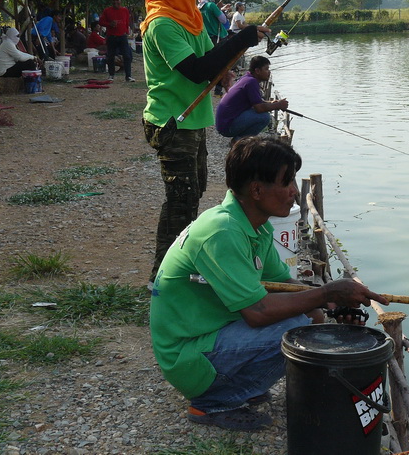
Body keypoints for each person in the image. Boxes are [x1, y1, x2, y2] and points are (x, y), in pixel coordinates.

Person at [150, 136, 389, 431]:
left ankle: (233, 385)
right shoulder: (221, 232)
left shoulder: (254, 226)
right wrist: (325, 292)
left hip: (208, 338)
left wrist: (330, 304)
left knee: (310, 316)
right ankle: (211, 403)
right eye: (286, 182)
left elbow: (281, 283)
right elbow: (258, 312)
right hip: (186, 356)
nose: (293, 193)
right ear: (257, 190)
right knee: (295, 330)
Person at [140, 0, 271, 292]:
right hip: (173, 123)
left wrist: (236, 51)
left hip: (195, 120)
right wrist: (239, 38)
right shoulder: (162, 23)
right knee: (180, 199)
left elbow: (212, 58)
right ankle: (163, 280)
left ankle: (180, 268)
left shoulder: (191, 17)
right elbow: (198, 71)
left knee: (194, 193)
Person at [215, 56, 288, 141]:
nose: (269, 72)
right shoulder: (251, 82)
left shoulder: (247, 78)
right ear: (257, 71)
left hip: (223, 123)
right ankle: (239, 141)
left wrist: (272, 103)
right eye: (266, 69)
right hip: (227, 126)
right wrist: (278, 105)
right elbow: (259, 108)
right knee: (265, 117)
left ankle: (239, 140)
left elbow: (257, 102)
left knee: (262, 114)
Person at [99, 0, 134, 81]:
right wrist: (109, 24)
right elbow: (101, 22)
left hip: (122, 36)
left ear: (120, 1)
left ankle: (128, 76)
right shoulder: (107, 11)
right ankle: (111, 75)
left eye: (117, 0)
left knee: (127, 56)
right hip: (111, 36)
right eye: (114, 0)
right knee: (110, 56)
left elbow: (127, 21)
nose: (115, 2)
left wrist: (127, 31)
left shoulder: (125, 10)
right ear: (111, 2)